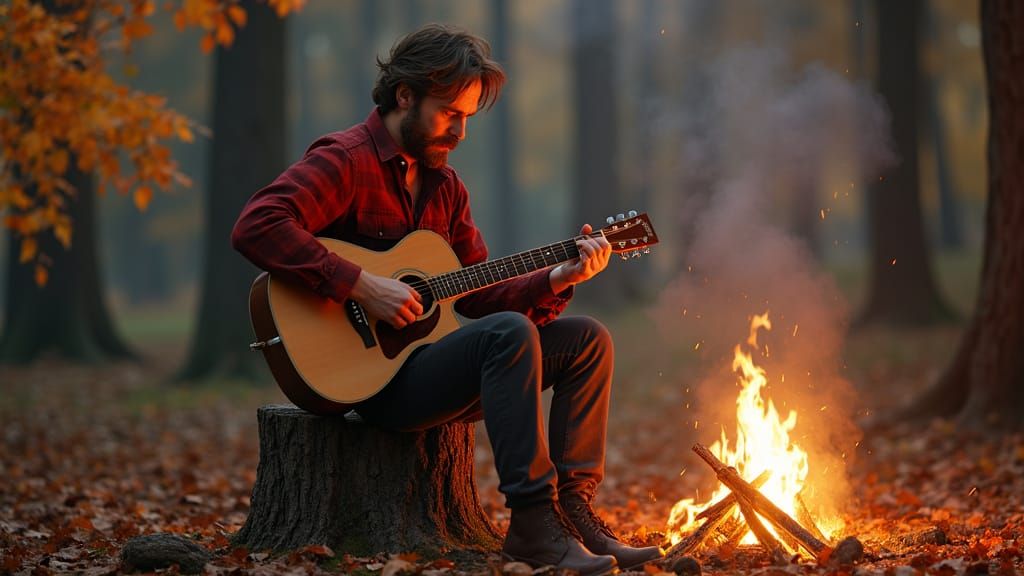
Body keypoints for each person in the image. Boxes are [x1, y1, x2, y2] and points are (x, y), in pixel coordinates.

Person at [231, 24, 663, 576]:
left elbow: (478, 294)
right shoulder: (345, 160)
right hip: (369, 383)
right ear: (405, 95)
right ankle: (532, 526)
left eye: (467, 118)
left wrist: (558, 275)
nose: (459, 131)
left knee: (587, 340)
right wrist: (362, 284)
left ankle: (575, 514)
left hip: (429, 370)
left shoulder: (446, 187)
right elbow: (257, 224)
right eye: (449, 113)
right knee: (509, 333)